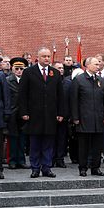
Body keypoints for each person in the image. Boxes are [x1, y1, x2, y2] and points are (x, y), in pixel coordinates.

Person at [18, 47, 64, 178]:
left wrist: (61, 112)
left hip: (50, 115)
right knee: (35, 143)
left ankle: (47, 167)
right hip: (34, 115)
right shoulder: (29, 72)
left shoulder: (55, 73)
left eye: (48, 56)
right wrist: (24, 112)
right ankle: (35, 168)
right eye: (44, 56)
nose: (47, 59)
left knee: (48, 143)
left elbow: (60, 95)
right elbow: (22, 94)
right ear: (38, 57)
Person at [70, 56, 104, 176]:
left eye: (99, 64)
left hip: (98, 118)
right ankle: (83, 168)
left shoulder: (101, 81)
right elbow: (74, 100)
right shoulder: (79, 80)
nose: (98, 66)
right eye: (95, 64)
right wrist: (75, 117)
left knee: (97, 146)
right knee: (84, 146)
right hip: (84, 118)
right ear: (87, 65)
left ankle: (95, 167)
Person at [6, 57, 28, 169]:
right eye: (17, 68)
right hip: (12, 113)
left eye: (21, 68)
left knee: (22, 138)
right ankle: (12, 160)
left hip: (24, 113)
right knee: (13, 138)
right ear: (12, 68)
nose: (19, 71)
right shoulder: (7, 80)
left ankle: (21, 159)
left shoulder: (27, 80)